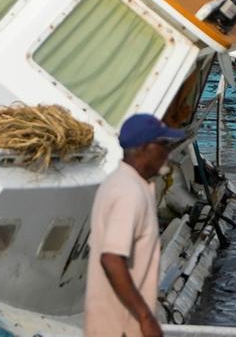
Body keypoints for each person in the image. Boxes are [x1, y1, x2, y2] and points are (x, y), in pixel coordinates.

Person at [85, 113, 185, 337]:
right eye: (163, 144)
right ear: (145, 148)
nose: (168, 152)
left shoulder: (120, 182)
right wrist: (145, 317)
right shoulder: (128, 192)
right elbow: (111, 258)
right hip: (121, 328)